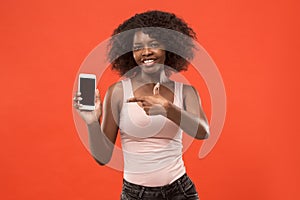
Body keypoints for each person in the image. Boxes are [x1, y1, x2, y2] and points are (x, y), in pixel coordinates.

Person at [73, 10, 210, 200]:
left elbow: (203, 131)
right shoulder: (118, 92)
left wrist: (168, 109)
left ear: (169, 47)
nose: (146, 52)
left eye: (154, 44)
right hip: (135, 194)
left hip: (180, 191)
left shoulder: (186, 92)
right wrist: (91, 122)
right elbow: (102, 158)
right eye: (138, 47)